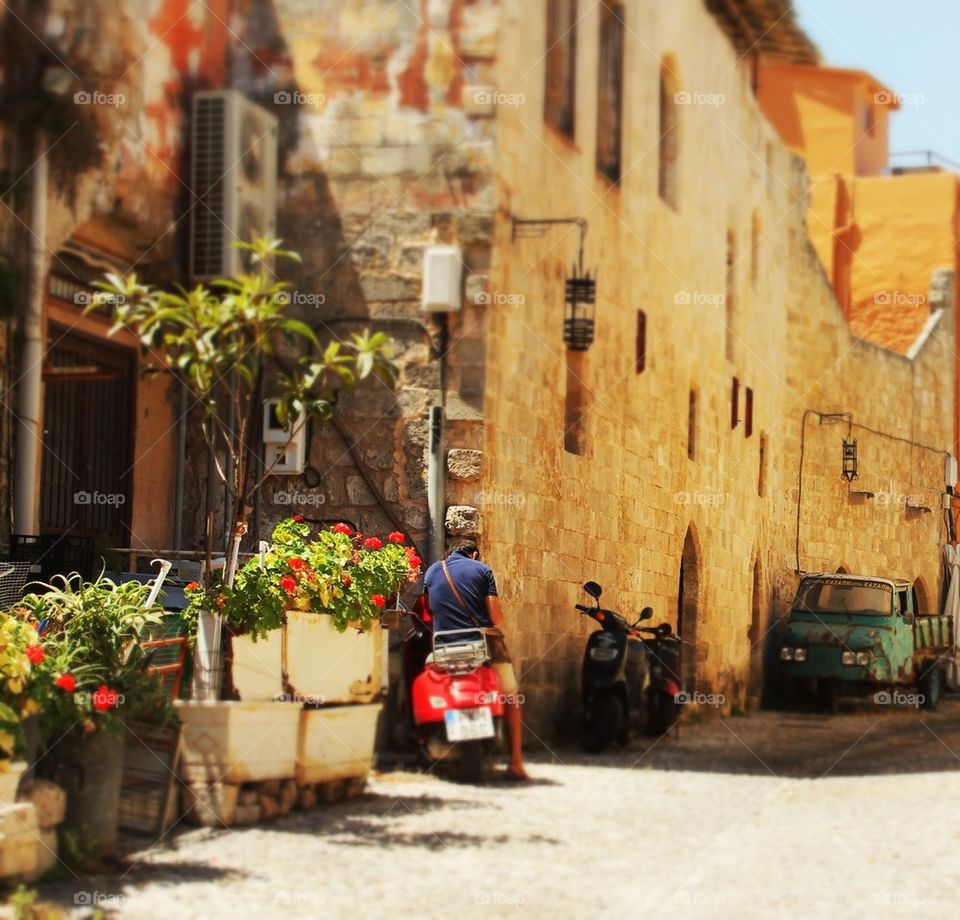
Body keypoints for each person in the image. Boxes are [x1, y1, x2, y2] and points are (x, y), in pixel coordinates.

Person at [422, 540, 528, 780]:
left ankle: (426, 747)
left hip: (444, 648)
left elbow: (428, 611)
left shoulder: (431, 571)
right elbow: (495, 617)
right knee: (511, 696)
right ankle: (516, 762)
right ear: (474, 554)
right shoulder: (482, 570)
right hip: (483, 647)